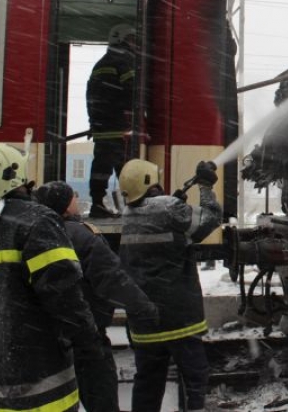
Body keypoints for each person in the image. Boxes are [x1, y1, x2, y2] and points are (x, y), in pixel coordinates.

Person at [0, 143, 104, 412]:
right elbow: (65, 296)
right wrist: (90, 346)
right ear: (17, 176)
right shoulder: (37, 222)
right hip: (35, 385)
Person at [35, 180, 159, 412]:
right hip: (86, 339)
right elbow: (112, 278)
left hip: (46, 341)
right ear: (65, 206)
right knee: (102, 402)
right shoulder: (82, 235)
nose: (76, 201)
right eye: (72, 197)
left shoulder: (32, 234)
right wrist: (143, 307)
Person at [118, 158, 221, 412]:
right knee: (195, 377)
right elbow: (210, 219)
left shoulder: (128, 215)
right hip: (179, 317)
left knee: (148, 381)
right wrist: (206, 186)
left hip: (145, 319)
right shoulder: (169, 208)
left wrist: (175, 205)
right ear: (150, 183)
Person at [87, 23, 137, 218]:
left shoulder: (101, 64)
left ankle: (97, 203)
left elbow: (90, 96)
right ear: (121, 40)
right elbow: (133, 91)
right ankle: (133, 206)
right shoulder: (124, 61)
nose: (135, 44)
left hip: (101, 127)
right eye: (132, 40)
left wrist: (94, 122)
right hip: (119, 126)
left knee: (101, 166)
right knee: (125, 169)